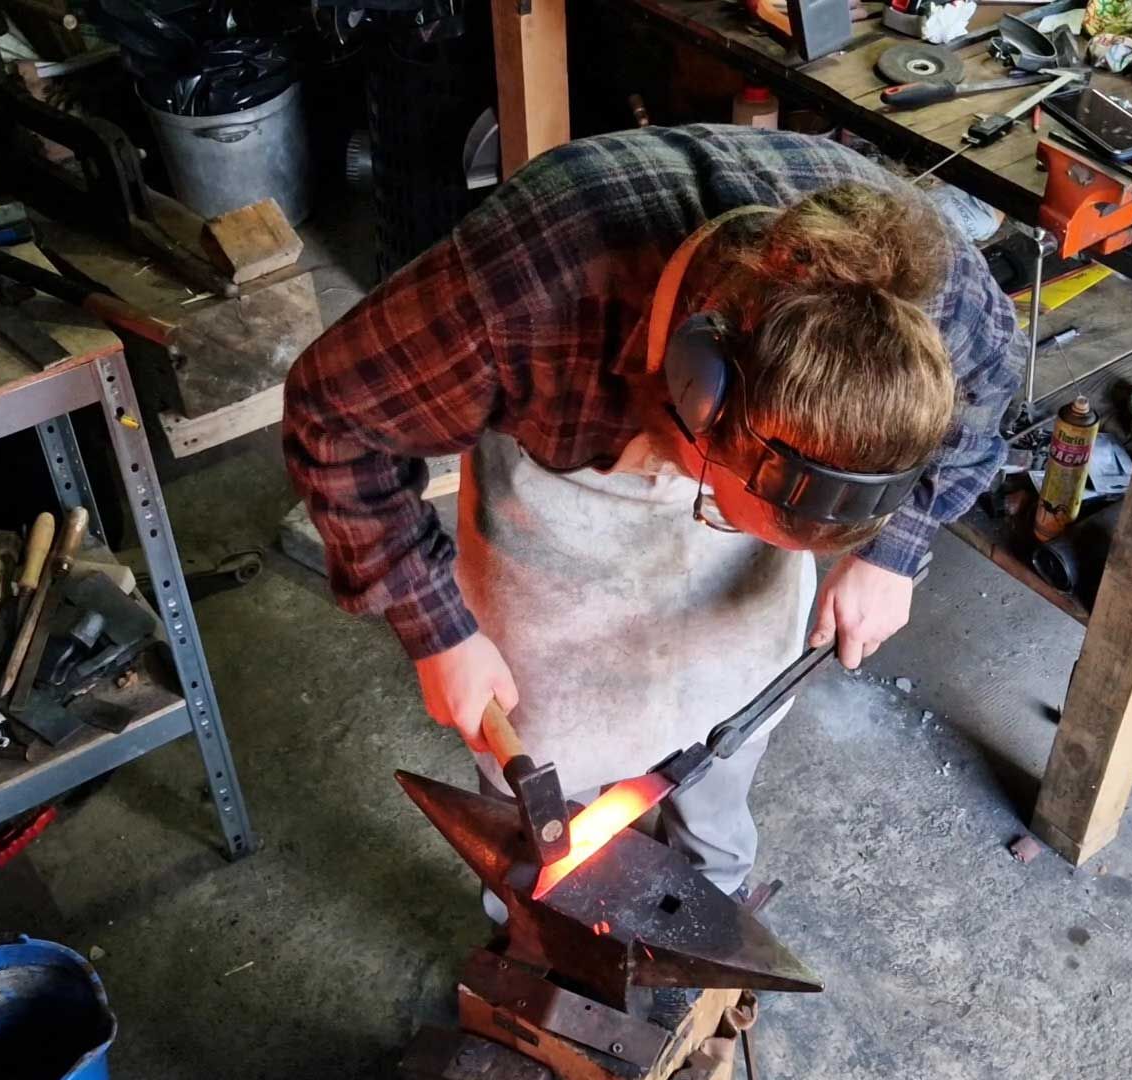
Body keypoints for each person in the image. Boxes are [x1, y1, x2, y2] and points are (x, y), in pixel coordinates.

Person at [284, 124, 1018, 897]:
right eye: (728, 514)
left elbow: (990, 393)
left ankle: (710, 899)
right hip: (556, 525)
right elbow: (333, 421)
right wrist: (439, 632)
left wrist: (892, 551)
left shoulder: (927, 288)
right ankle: (536, 922)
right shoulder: (523, 289)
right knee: (541, 759)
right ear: (698, 394)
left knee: (729, 727)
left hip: (738, 506)